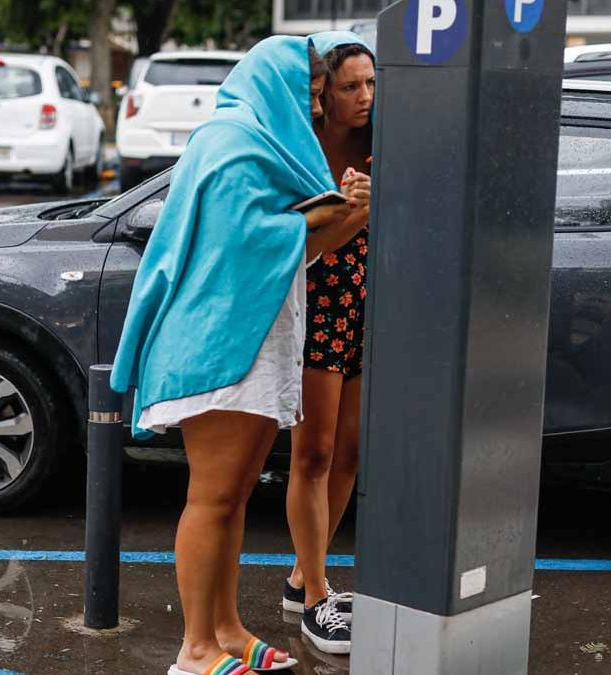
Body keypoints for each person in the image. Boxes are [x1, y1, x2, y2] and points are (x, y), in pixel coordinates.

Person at [110, 35, 364, 675]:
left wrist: (346, 213)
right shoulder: (231, 144)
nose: (313, 107)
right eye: (308, 93)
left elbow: (293, 250)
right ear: (274, 84)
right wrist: (331, 211)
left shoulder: (257, 144)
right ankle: (194, 648)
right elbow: (247, 242)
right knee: (212, 498)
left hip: (252, 341)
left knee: (236, 496)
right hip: (218, 347)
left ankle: (226, 629)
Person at [283, 31, 375, 656]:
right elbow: (294, 243)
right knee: (311, 454)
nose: (364, 96)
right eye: (350, 87)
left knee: (348, 453)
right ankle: (316, 595)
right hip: (317, 310)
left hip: (369, 310)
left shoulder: (382, 148)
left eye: (371, 84)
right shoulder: (301, 154)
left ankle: (300, 576)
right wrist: (348, 207)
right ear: (324, 95)